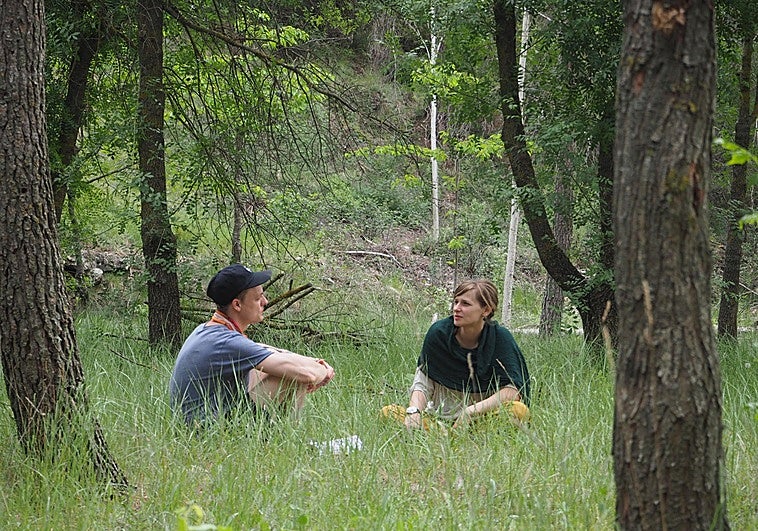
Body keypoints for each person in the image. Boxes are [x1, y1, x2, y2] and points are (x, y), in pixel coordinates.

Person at [169, 264, 335, 426]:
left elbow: (265, 350)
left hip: (199, 424)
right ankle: (287, 438)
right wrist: (322, 370)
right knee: (291, 375)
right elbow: (306, 374)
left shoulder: (210, 330)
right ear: (237, 305)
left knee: (276, 367)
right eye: (257, 298)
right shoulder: (226, 341)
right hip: (207, 432)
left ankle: (278, 435)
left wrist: (313, 361)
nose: (265, 302)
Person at [384, 279, 530, 430]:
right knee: (389, 412)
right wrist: (414, 412)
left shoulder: (500, 338)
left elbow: (512, 391)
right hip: (439, 419)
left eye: (465, 304)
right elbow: (422, 384)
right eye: (456, 302)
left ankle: (472, 436)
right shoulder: (438, 334)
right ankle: (442, 435)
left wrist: (469, 412)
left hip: (481, 419)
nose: (456, 308)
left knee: (519, 411)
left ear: (485, 310)